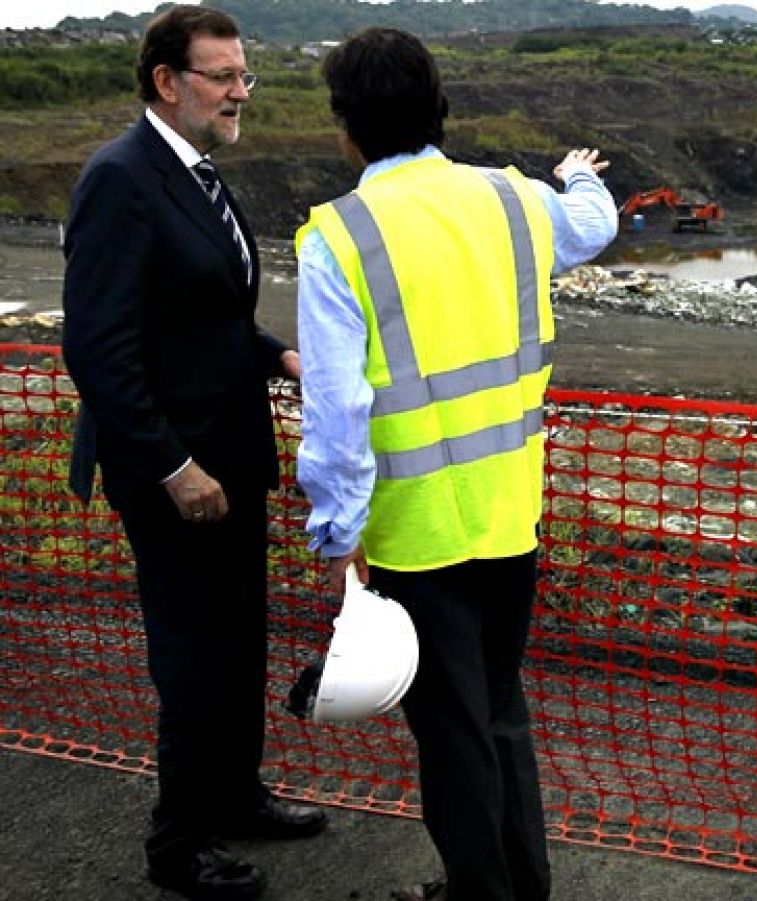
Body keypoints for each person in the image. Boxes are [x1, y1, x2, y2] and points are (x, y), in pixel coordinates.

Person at [294, 27, 618, 901]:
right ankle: (524, 882)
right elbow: (594, 225)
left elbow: (336, 415)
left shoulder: (339, 238)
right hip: (511, 511)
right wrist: (579, 174)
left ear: (346, 129)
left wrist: (338, 532)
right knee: (501, 711)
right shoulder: (514, 200)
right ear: (442, 110)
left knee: (450, 730)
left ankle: (482, 890)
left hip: (415, 533)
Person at [60, 5, 328, 900]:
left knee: (240, 635)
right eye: (222, 76)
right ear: (167, 82)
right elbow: (98, 349)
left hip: (234, 456)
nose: (239, 91)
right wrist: (173, 466)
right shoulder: (120, 179)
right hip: (173, 471)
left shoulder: (199, 175)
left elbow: (209, 318)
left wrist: (280, 356)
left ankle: (235, 793)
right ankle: (178, 845)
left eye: (244, 75)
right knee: (193, 654)